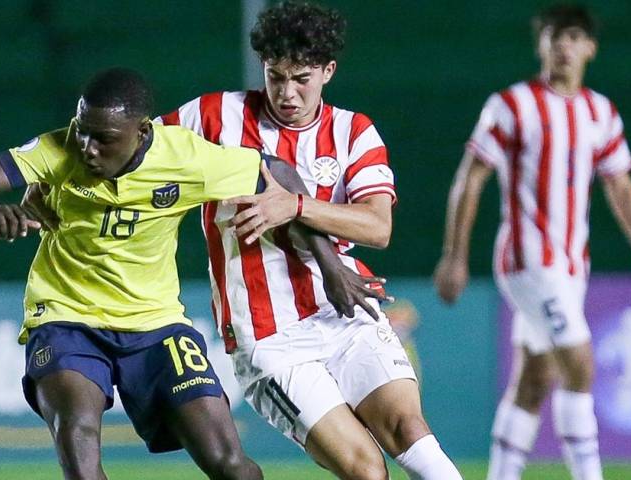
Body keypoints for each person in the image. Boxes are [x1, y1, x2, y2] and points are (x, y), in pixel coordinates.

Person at [0, 67, 377, 480]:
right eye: (81, 132)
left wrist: (330, 264)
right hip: (65, 318)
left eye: (102, 139)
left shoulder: (186, 158)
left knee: (229, 464)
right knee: (80, 440)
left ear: (143, 132)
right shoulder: (58, 149)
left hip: (156, 325)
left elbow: (276, 172)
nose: (86, 148)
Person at [143, 2, 462, 479]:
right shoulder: (214, 116)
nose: (287, 93)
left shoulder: (354, 131)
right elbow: (134, 144)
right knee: (366, 469)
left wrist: (294, 204)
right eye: (276, 77)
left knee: (408, 429)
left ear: (328, 71)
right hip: (268, 337)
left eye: (302, 79)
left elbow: (378, 227)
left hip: (345, 309)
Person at [434, 5, 631, 480]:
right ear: (540, 44)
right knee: (581, 364)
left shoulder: (600, 112)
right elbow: (471, 178)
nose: (563, 46)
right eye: (554, 36)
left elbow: (622, 186)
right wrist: (454, 255)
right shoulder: (511, 105)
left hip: (572, 266)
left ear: (590, 47)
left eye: (573, 37)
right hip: (528, 261)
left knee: (536, 377)